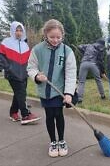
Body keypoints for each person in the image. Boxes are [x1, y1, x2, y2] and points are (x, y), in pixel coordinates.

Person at [27, 19, 77, 157]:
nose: (55, 40)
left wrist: (68, 93)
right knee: (49, 115)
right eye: (52, 37)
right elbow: (31, 67)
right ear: (45, 35)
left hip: (59, 91)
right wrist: (37, 76)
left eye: (58, 37)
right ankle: (53, 142)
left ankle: (61, 140)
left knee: (59, 115)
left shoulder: (67, 51)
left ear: (63, 35)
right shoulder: (37, 50)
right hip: (45, 91)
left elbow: (71, 73)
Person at [0, 21, 41, 124]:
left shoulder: (25, 45)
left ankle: (13, 113)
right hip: (12, 73)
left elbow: (29, 60)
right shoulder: (6, 42)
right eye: (16, 30)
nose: (19, 32)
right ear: (12, 30)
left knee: (18, 93)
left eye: (21, 30)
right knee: (21, 93)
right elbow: (0, 56)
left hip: (23, 73)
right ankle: (26, 115)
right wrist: (9, 68)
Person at [77, 38, 106, 103]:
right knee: (98, 80)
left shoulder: (89, 45)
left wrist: (84, 52)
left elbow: (79, 46)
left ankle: (79, 99)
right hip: (93, 64)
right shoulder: (101, 49)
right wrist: (103, 71)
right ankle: (103, 96)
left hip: (84, 63)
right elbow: (100, 61)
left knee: (81, 82)